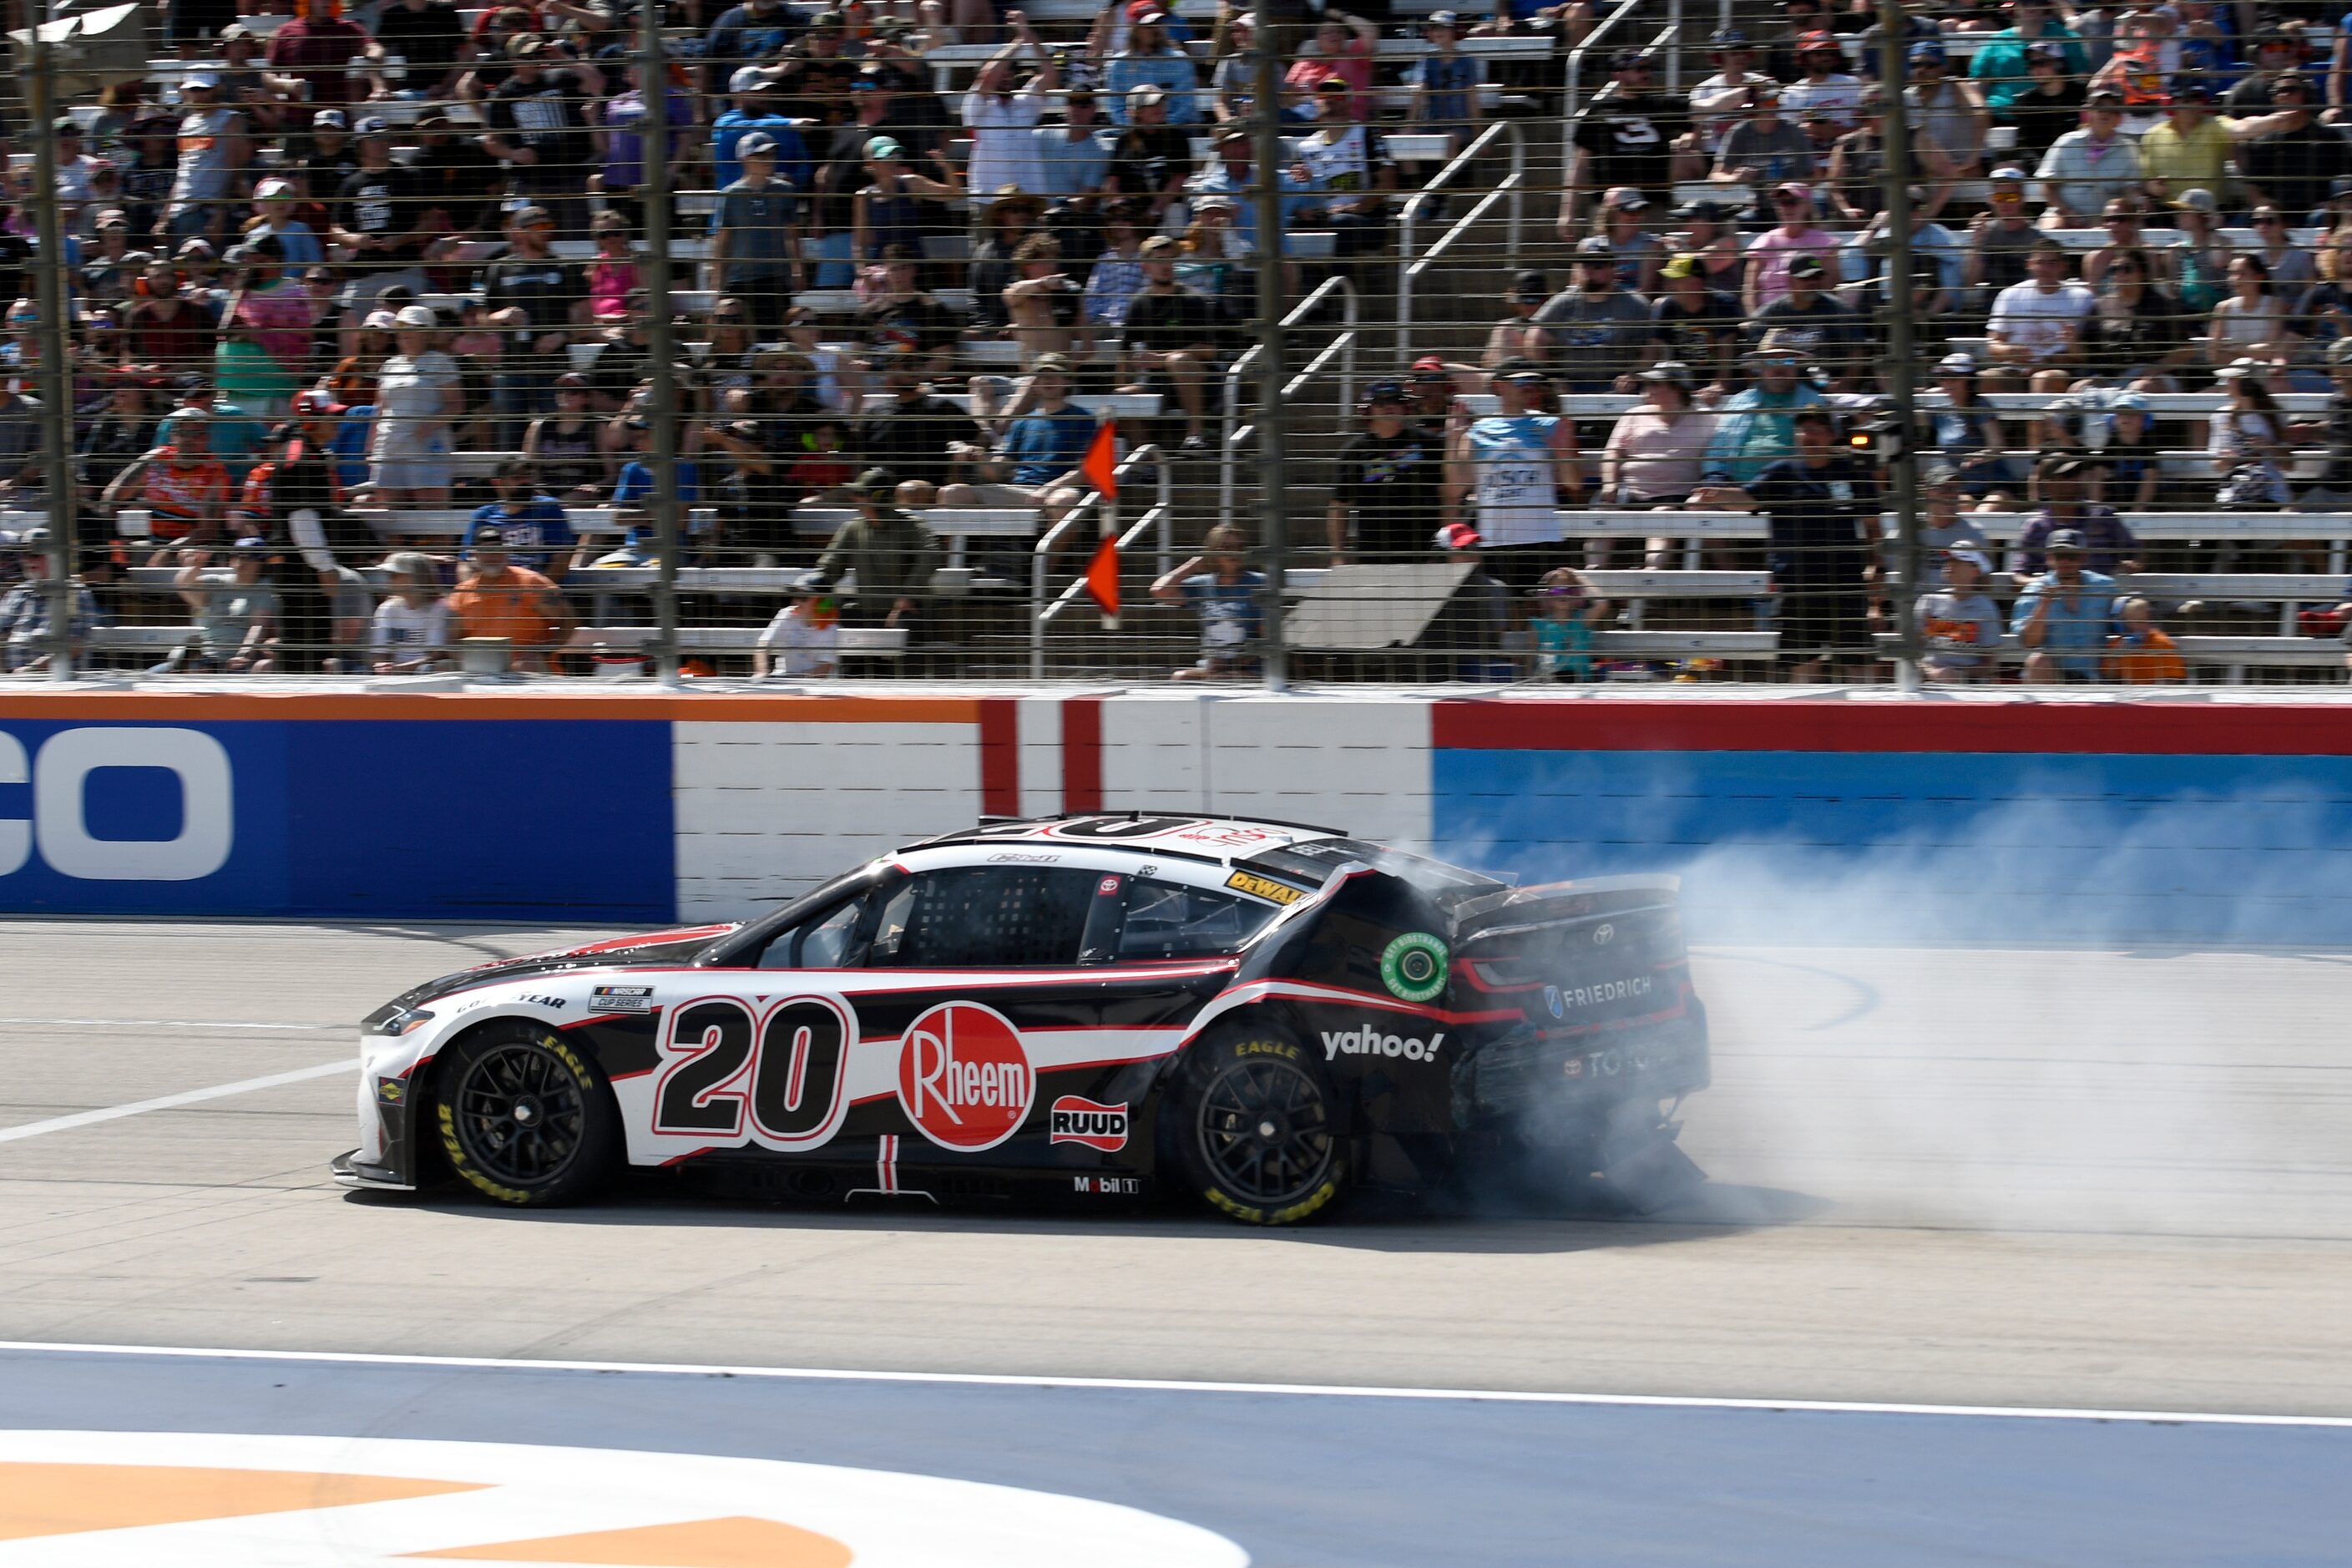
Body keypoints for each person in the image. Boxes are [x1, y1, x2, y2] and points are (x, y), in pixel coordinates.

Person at [1691, 406, 1883, 684]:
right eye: (1803, 429)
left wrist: (1877, 568)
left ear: (1831, 435)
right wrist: (1716, 494)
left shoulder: (1853, 471)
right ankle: (1808, 723)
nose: (1809, 435)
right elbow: (1749, 498)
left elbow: (1873, 527)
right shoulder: (1781, 471)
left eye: (1816, 429)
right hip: (1796, 584)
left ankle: (1868, 722)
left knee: (1858, 663)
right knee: (1803, 664)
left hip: (1845, 583)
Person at [1447, 363, 1583, 586]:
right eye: (1521, 381)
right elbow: (1457, 487)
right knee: (1504, 615)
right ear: (1499, 386)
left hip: (1542, 539)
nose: (1528, 387)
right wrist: (1453, 439)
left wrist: (1563, 450)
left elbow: (1574, 483)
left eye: (1533, 382)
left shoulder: (1551, 424)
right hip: (1494, 541)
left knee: (1544, 613)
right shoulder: (1477, 431)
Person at [807, 467, 942, 669]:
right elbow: (830, 566)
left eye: (861, 494)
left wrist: (907, 595)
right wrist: (812, 589)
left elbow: (932, 555)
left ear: (878, 497)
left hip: (907, 611)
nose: (854, 499)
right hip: (866, 611)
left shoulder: (912, 526)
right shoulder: (853, 528)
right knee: (836, 621)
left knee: (908, 635)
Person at [940, 354, 1094, 529]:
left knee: (1064, 501)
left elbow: (1087, 469)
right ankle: (960, 557)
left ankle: (1047, 558)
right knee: (953, 493)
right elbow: (998, 473)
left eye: (1054, 375)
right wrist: (979, 457)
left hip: (1060, 491)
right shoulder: (1022, 422)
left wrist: (1048, 489)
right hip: (1020, 490)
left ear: (1068, 381)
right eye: (1042, 376)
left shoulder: (1084, 419)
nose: (1047, 380)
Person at [1117, 236, 1223, 452]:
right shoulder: (1138, 303)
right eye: (1159, 260)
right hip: (1159, 383)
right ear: (1145, 266)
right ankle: (1147, 462)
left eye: (1170, 259)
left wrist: (1162, 359)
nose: (1166, 266)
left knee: (1179, 360)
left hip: (1200, 381)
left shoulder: (1194, 299)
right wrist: (1120, 383)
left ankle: (1196, 435)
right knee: (1121, 398)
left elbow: (1210, 350)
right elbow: (1125, 353)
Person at [1329, 381, 1444, 564]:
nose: (1389, 406)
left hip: (1424, 550)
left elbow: (1446, 493)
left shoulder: (1428, 443)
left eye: (1396, 400)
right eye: (1380, 402)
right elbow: (1339, 506)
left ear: (1405, 406)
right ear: (1368, 409)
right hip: (1373, 553)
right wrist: (1338, 554)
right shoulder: (1354, 451)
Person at [444, 524, 577, 675]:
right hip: (481, 673)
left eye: (498, 550)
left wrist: (543, 653)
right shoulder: (462, 593)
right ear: (475, 554)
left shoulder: (530, 582)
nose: (493, 556)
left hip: (529, 672)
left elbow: (568, 619)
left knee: (527, 665)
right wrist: (470, 664)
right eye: (486, 551)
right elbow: (451, 640)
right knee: (440, 668)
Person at [1701, 331, 1830, 485]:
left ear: (1797, 366)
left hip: (1793, 489)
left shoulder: (1813, 402)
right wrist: (1715, 478)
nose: (1780, 367)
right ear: (1760, 366)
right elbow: (1718, 449)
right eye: (1771, 361)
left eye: (1788, 361)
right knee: (1696, 504)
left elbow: (1822, 452)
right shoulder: (1740, 402)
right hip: (1736, 491)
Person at [711, 132, 807, 334]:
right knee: (741, 335)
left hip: (775, 277)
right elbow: (723, 240)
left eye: (771, 155)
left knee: (775, 335)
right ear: (745, 158)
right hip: (740, 280)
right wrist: (718, 281)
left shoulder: (785, 191)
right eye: (761, 155)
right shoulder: (731, 194)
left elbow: (792, 234)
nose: (768, 160)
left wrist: (797, 269)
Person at [1531, 235, 1655, 392]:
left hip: (1616, 387)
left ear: (1612, 269)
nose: (1589, 271)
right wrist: (1551, 377)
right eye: (1585, 265)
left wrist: (1634, 375)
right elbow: (1535, 338)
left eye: (1597, 266)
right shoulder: (1564, 302)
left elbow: (1651, 350)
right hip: (1570, 385)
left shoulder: (1636, 305)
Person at [369, 305, 459, 509]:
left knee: (432, 515)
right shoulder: (390, 365)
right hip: (389, 446)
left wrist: (427, 427)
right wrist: (373, 447)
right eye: (401, 327)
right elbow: (380, 408)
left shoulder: (441, 362)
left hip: (426, 446)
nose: (405, 333)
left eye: (411, 327)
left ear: (427, 332)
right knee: (389, 515)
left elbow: (456, 404)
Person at [1150, 523, 1262, 681]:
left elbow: (1266, 641)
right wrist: (1193, 565)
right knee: (1180, 677)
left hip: (1251, 669)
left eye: (1240, 546)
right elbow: (1159, 591)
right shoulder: (1203, 584)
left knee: (1221, 680)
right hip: (1213, 668)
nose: (1235, 552)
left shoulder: (1258, 583)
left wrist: (1231, 664)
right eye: (1226, 547)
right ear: (1213, 551)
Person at [2011, 527, 2117, 683]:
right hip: (2055, 676)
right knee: (2038, 661)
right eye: (2060, 556)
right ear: (2049, 558)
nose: (2065, 561)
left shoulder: (2105, 587)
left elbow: (2126, 624)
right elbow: (2029, 642)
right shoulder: (2035, 590)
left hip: (2097, 674)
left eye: (2072, 556)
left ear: (2083, 557)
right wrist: (2044, 603)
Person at [2009, 457, 2140, 580]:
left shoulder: (2102, 515)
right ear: (2047, 485)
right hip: (2053, 600)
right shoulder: (2036, 526)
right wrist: (2045, 585)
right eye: (2067, 475)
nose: (2075, 479)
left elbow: (2134, 553)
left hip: (2101, 597)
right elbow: (2018, 576)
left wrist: (2133, 563)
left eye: (2076, 473)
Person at [1987, 240, 2094, 392]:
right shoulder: (2010, 295)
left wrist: (2047, 361)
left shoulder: (2082, 298)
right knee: (1988, 378)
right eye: (2040, 262)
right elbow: (1993, 345)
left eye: (2052, 263)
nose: (2045, 269)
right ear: (2029, 264)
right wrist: (2008, 351)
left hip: (2060, 369)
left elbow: (2083, 355)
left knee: (2044, 379)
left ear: (2064, 266)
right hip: (2016, 368)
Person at [2036, 91, 2145, 229]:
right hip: (2063, 213)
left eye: (2110, 110)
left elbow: (2131, 189)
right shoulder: (2067, 142)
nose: (2104, 113)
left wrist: (2136, 203)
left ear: (2119, 119)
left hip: (2110, 219)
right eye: (2099, 108)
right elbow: (2047, 186)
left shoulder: (2128, 149)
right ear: (2088, 115)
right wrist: (2067, 212)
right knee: (2050, 227)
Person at [169, 538, 281, 673]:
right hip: (207, 656)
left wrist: (243, 654)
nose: (241, 562)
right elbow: (184, 586)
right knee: (158, 674)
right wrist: (195, 566)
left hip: (242, 660)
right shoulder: (217, 583)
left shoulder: (264, 589)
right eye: (237, 556)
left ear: (260, 563)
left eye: (248, 557)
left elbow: (258, 627)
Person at [0, 529, 99, 673]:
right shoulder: (18, 593)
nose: (29, 560)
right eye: (25, 554)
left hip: (58, 681)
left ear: (56, 556)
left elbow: (75, 645)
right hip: (15, 681)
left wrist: (31, 670)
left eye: (36, 554)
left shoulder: (74, 592)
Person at [466, 458, 578, 582]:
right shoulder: (484, 515)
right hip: (496, 591)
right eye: (517, 478)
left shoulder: (548, 508)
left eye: (528, 476)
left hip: (540, 588)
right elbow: (466, 563)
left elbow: (562, 559)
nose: (525, 482)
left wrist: (538, 591)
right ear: (498, 483)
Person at [1918, 547, 2006, 682]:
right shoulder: (1929, 601)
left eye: (1957, 561)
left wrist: (1958, 675)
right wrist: (1932, 672)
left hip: (1969, 686)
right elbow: (1911, 650)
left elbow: (1990, 664)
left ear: (1974, 571)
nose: (1949, 564)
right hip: (1927, 680)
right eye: (1950, 560)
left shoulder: (1985, 608)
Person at [368, 550, 452, 675]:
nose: (389, 579)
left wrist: (399, 669)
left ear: (416, 577)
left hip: (425, 674)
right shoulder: (387, 609)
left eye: (394, 575)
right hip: (393, 673)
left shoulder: (440, 608)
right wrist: (381, 666)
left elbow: (436, 655)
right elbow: (378, 653)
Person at [1530, 567, 1605, 682]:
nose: (1563, 595)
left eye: (1568, 591)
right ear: (1548, 596)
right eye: (1557, 591)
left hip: (1580, 682)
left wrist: (1579, 577)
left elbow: (1601, 603)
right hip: (1550, 684)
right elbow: (1530, 660)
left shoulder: (1582, 620)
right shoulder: (1539, 625)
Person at [754, 581, 842, 678]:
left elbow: (824, 670)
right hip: (785, 680)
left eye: (803, 598)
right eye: (796, 596)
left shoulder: (830, 628)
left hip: (818, 687)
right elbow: (764, 644)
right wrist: (762, 671)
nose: (796, 602)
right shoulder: (787, 615)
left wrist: (793, 679)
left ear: (821, 602)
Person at [2104, 595, 2188, 682]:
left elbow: (2173, 680)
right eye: (2133, 621)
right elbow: (2109, 676)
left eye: (2142, 620)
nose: (2139, 626)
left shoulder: (2162, 643)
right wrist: (2117, 657)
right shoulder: (2117, 645)